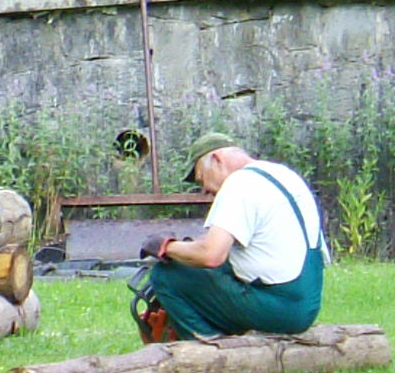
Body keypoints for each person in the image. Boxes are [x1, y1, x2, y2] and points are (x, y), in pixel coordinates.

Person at [131, 132, 328, 341]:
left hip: (280, 307)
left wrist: (166, 247)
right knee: (199, 268)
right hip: (304, 304)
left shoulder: (239, 183)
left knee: (166, 275)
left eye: (201, 178)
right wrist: (187, 249)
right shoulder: (282, 175)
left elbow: (211, 256)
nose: (205, 190)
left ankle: (207, 348)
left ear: (217, 160)